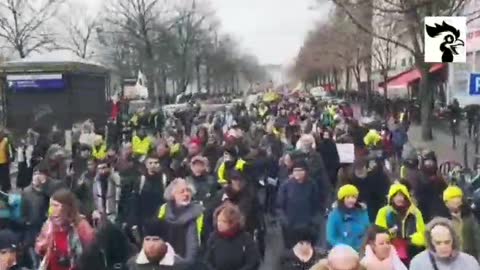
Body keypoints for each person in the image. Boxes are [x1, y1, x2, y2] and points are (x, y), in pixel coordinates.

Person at [35, 189, 95, 270]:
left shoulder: (81, 227)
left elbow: (91, 254)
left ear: (67, 208)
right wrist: (43, 247)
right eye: (51, 206)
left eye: (56, 205)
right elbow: (40, 247)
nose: (52, 210)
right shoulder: (49, 225)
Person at [375, 183, 426, 265]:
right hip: (390, 251)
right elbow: (378, 233)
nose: (400, 198)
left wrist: (410, 239)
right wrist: (390, 234)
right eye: (396, 195)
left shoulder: (415, 212)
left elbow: (423, 235)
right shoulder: (384, 212)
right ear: (391, 198)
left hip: (412, 251)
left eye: (402, 195)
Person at [276, 159, 320, 249]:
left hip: (307, 226)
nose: (298, 173)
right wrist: (285, 221)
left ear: (306, 171)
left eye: (301, 170)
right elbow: (279, 206)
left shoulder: (312, 185)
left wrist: (314, 222)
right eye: (296, 170)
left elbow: (317, 204)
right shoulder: (286, 186)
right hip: (290, 226)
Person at [157, 178, 204, 264]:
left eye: (188, 191)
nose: (186, 194)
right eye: (181, 191)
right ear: (173, 194)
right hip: (166, 260)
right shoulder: (164, 209)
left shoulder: (199, 211)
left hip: (193, 260)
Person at [203, 202, 260, 270]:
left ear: (232, 222)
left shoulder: (246, 239)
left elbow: (253, 262)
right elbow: (207, 260)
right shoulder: (213, 237)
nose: (219, 224)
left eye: (223, 221)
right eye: (218, 221)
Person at [410, 217, 480, 270]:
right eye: (438, 243)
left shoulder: (469, 262)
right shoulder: (418, 263)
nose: (443, 247)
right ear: (431, 242)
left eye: (447, 242)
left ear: (454, 240)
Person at [327, 184, 370, 251]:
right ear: (342, 199)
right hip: (342, 251)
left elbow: (367, 230)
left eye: (353, 197)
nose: (351, 200)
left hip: (361, 249)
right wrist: (343, 247)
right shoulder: (334, 215)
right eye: (348, 197)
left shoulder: (362, 212)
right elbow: (331, 236)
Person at [441, 186, 480, 259]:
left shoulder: (469, 217)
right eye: (452, 199)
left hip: (471, 258)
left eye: (458, 198)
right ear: (446, 203)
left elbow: (477, 238)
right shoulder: (444, 221)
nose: (455, 201)